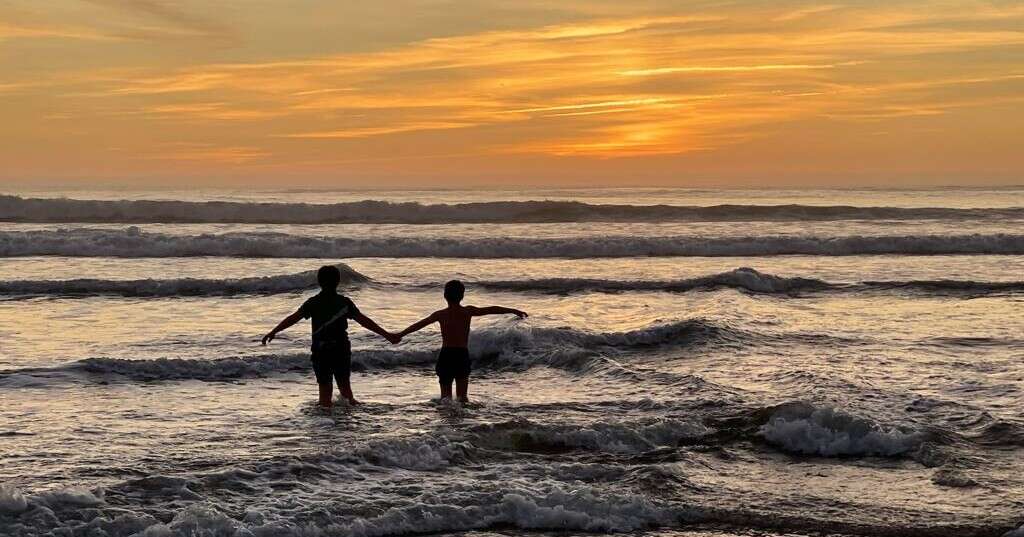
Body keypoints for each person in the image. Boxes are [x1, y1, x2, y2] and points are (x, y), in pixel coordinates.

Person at [262, 265, 398, 407]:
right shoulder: (344, 302)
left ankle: (326, 418)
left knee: (325, 394)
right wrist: (387, 335)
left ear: (319, 282)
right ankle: (351, 416)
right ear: (338, 281)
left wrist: (274, 331)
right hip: (341, 349)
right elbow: (364, 321)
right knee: (345, 389)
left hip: (321, 350)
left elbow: (293, 318)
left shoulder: (313, 302)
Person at [397, 280, 527, 403]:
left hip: (446, 355)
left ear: (445, 296)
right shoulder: (467, 311)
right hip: (461, 355)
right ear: (462, 296)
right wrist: (513, 310)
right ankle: (462, 418)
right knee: (462, 398)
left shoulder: (440, 314)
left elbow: (418, 325)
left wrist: (400, 334)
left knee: (445, 398)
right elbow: (491, 309)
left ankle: (446, 418)